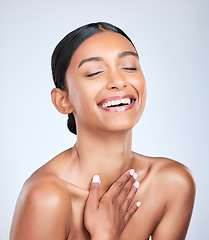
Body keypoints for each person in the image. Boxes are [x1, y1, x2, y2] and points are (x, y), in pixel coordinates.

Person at [9, 22, 195, 240]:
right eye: (94, 72)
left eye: (129, 67)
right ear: (63, 100)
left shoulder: (172, 183)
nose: (118, 81)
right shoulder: (46, 198)